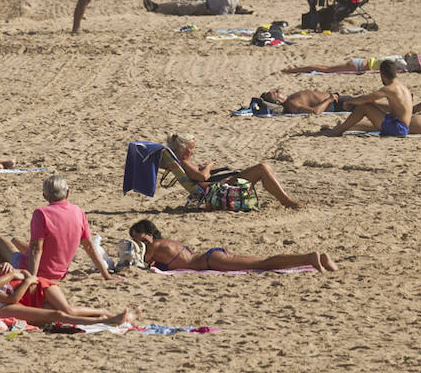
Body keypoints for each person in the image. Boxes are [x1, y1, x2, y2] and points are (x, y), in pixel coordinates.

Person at [0, 252, 139, 325]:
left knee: (65, 310)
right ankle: (107, 320)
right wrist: (14, 274)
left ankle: (109, 315)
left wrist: (6, 272)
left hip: (1, 300)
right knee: (58, 313)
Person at [0, 175, 116, 281]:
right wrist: (106, 275)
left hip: (40, 271)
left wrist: (32, 278)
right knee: (15, 241)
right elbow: (89, 246)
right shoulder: (79, 212)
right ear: (67, 193)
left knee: (1, 243)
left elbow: (36, 249)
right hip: (60, 272)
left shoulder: (41, 213)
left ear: (44, 196)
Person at [129, 220, 337, 272]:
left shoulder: (154, 246)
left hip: (210, 260)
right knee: (260, 262)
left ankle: (309, 258)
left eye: (137, 237)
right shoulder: (165, 242)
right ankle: (321, 260)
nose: (136, 242)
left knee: (263, 264)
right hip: (211, 256)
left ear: (146, 234)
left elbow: (139, 263)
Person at [160, 133, 303, 208]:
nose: (192, 152)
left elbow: (198, 176)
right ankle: (286, 201)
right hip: (221, 189)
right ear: (181, 148)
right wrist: (208, 166)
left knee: (263, 168)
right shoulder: (184, 163)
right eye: (190, 148)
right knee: (262, 168)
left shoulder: (184, 163)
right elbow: (202, 178)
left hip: (221, 186)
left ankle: (284, 199)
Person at [321, 59, 413, 137]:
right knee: (368, 104)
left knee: (363, 107)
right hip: (402, 127)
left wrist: (349, 102)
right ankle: (339, 128)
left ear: (382, 75)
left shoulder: (389, 88)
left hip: (397, 129)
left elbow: (365, 99)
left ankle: (337, 131)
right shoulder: (402, 87)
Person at [281, 53, 421, 75]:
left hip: (360, 63)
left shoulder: (399, 58)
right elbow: (408, 69)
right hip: (358, 66)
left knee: (325, 68)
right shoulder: (401, 63)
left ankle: (291, 70)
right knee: (324, 69)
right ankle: (291, 70)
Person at [259, 89, 350, 115]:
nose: (278, 90)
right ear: (278, 102)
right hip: (337, 104)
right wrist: (329, 100)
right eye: (276, 93)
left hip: (337, 99)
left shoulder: (290, 99)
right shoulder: (292, 104)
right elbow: (315, 111)